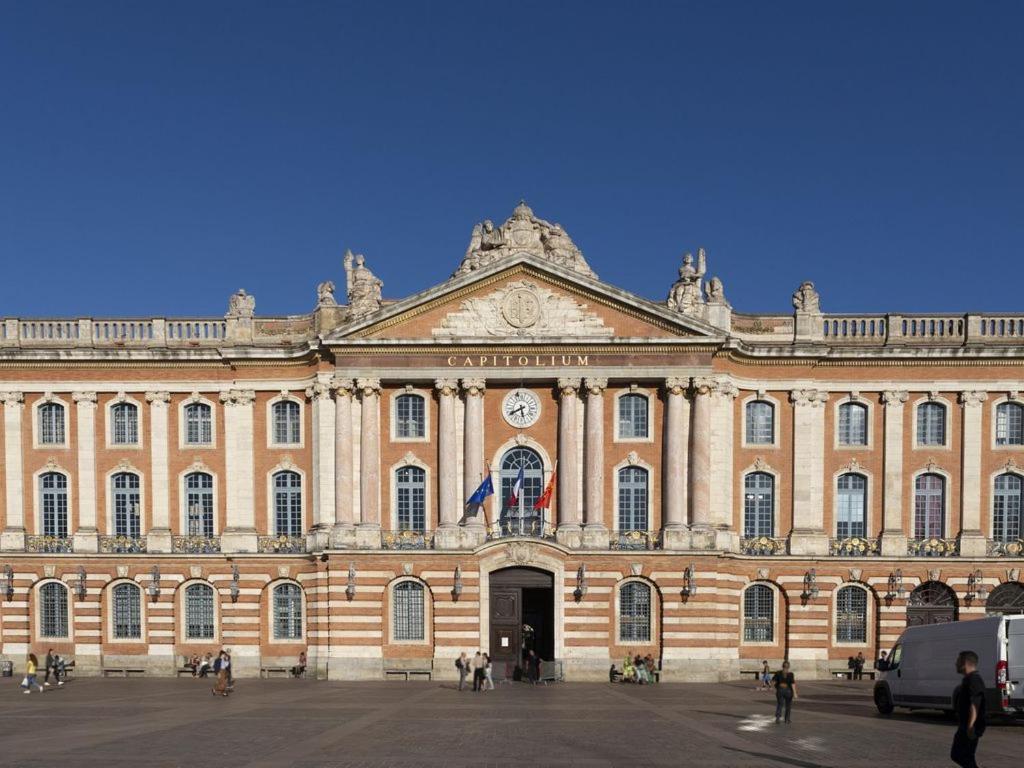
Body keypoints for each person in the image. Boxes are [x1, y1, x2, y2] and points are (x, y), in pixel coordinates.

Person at [951, 650, 986, 768]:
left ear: (965, 663)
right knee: (962, 756)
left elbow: (975, 703)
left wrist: (970, 726)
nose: (955, 663)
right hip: (966, 725)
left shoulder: (974, 679)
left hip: (970, 726)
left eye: (958, 661)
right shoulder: (968, 679)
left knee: (960, 755)